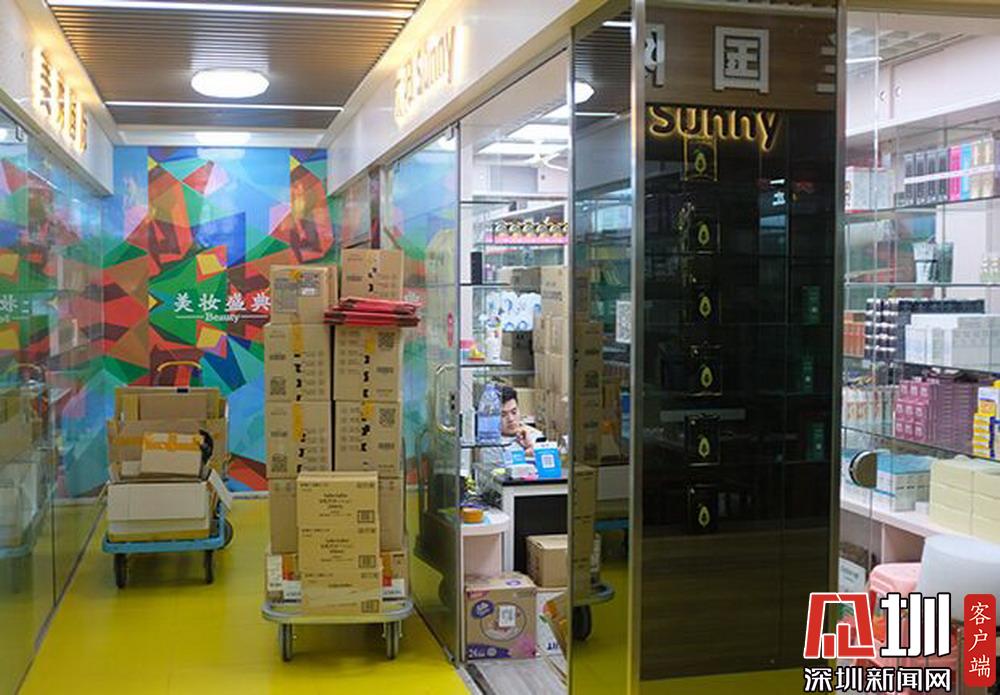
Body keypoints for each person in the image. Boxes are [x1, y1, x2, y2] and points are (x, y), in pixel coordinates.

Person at [498, 386, 542, 458]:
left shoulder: (536, 436)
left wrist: (530, 447)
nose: (511, 419)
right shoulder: (490, 444)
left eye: (514, 412)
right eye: (503, 415)